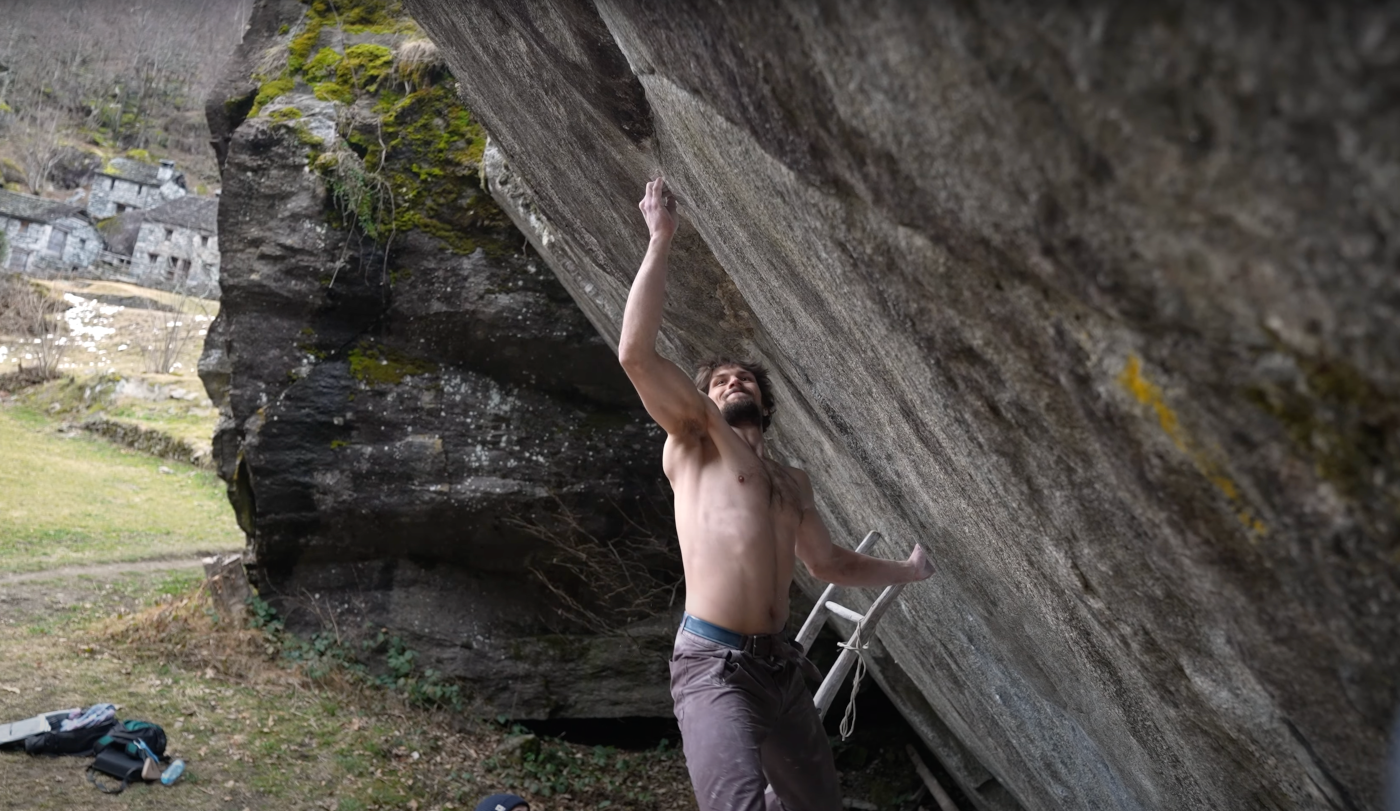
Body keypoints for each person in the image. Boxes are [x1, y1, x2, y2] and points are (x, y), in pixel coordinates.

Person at [618, 177, 935, 811]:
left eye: (744, 378)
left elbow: (828, 564)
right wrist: (660, 238)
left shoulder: (794, 482)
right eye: (719, 381)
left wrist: (907, 570)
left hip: (781, 669)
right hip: (715, 665)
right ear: (704, 400)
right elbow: (635, 355)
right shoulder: (695, 442)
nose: (733, 382)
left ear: (763, 402)